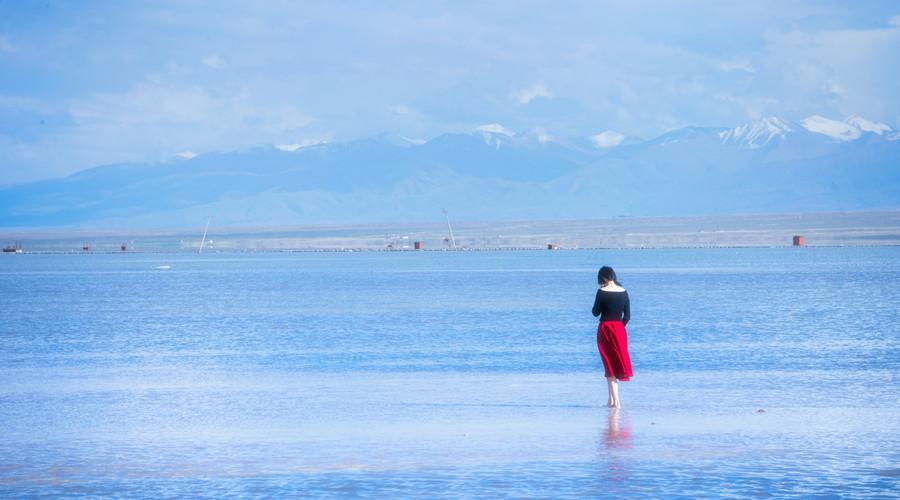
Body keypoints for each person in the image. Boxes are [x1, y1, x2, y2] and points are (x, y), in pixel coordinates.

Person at [591, 266, 632, 408]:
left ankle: (616, 403)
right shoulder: (624, 291)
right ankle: (611, 401)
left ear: (602, 278)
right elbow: (627, 316)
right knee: (616, 364)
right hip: (619, 330)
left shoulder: (601, 292)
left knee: (609, 366)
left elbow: (595, 312)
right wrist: (619, 328)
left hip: (605, 329)